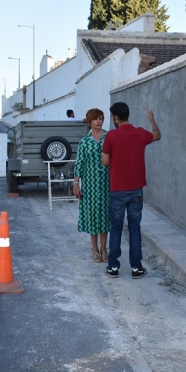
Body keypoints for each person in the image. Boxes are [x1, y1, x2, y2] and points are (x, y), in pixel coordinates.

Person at [101, 102, 161, 279]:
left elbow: (104, 162)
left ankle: (113, 267)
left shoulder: (111, 136)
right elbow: (157, 135)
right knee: (135, 228)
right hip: (136, 190)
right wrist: (152, 119)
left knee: (116, 227)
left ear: (116, 118)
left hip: (117, 190)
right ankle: (136, 267)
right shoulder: (141, 133)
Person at [73, 108, 110, 263]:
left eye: (101, 118)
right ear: (90, 121)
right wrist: (76, 183)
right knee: (92, 217)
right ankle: (94, 249)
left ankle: (104, 249)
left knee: (104, 217)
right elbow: (79, 162)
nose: (99, 121)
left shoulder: (109, 137)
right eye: (96, 119)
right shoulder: (85, 141)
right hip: (90, 185)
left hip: (106, 183)